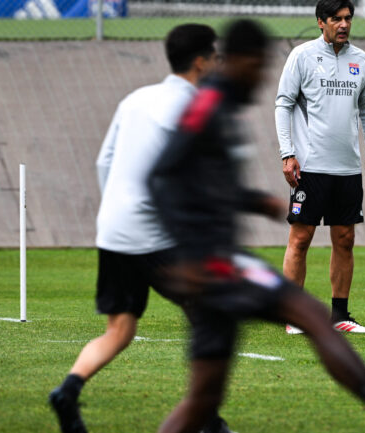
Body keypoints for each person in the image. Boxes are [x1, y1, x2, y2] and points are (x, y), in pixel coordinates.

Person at [148, 19, 365, 433]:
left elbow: (204, 179)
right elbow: (161, 175)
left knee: (203, 397)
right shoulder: (209, 105)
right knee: (311, 314)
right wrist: (186, 253)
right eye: (257, 65)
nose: (260, 76)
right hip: (210, 262)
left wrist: (252, 201)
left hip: (213, 258)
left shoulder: (222, 104)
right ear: (240, 60)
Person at [48, 24, 232, 433]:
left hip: (114, 229)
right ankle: (205, 419)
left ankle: (68, 391)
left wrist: (119, 211)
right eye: (214, 55)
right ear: (201, 60)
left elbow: (103, 162)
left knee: (120, 328)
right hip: (155, 234)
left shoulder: (136, 99)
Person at [275, 0, 365, 334]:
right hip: (310, 167)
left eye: (348, 18)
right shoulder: (302, 56)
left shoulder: (361, 60)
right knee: (301, 238)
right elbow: (283, 103)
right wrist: (287, 153)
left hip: (347, 168)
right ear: (321, 22)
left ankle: (340, 317)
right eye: (336, 19)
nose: (344, 24)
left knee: (345, 239)